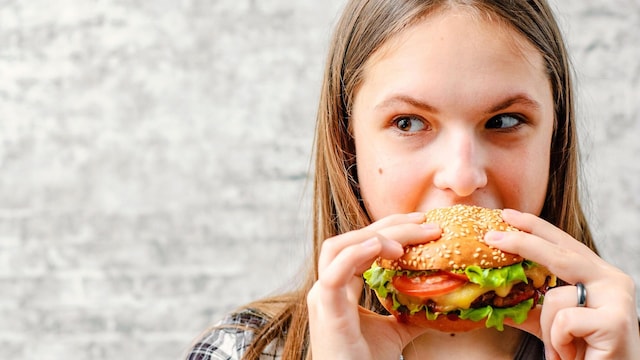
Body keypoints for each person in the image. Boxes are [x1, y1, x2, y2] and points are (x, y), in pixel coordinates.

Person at [186, 0, 640, 359]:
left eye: (504, 121)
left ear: (554, 141)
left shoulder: (624, 348)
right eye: (407, 123)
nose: (462, 178)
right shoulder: (241, 351)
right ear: (349, 145)